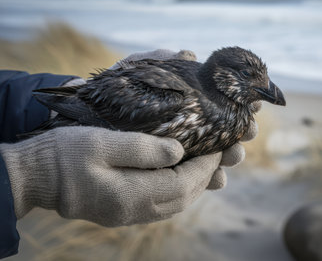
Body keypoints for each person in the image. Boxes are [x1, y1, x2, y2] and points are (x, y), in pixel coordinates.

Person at [0, 50, 257, 258]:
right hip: (91, 112)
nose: (269, 89)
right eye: (248, 76)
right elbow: (90, 107)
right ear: (222, 74)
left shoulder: (229, 107)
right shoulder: (179, 98)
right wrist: (23, 177)